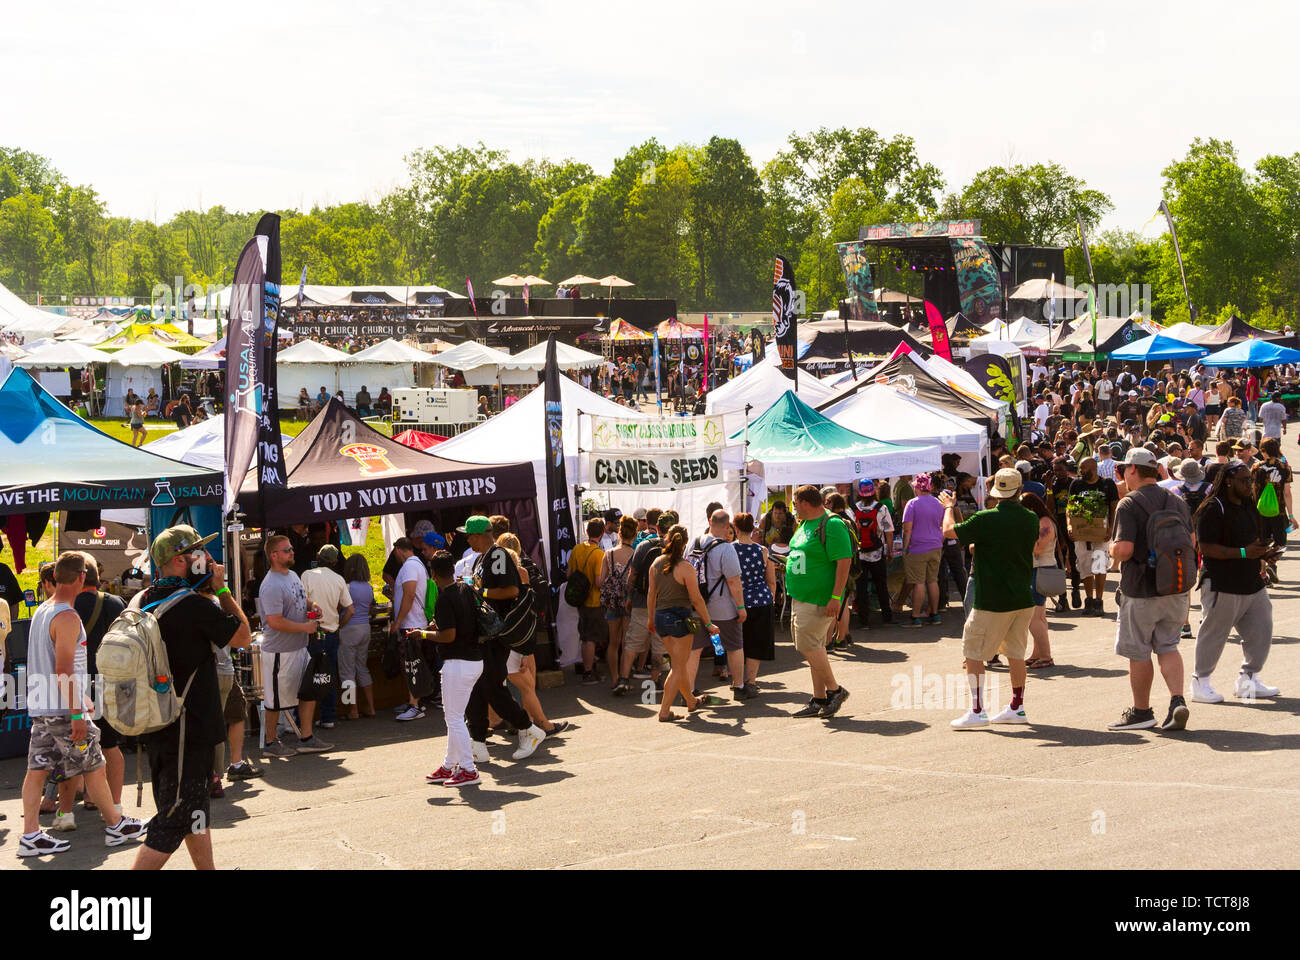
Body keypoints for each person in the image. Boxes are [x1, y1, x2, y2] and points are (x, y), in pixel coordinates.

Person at [128, 527, 251, 869]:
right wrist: (222, 589)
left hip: (159, 723)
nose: (208, 559)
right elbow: (243, 636)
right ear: (181, 560)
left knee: (195, 811)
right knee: (174, 819)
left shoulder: (142, 600)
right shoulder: (193, 604)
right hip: (187, 729)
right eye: (201, 553)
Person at [18, 552, 148, 858]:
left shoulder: (44, 610)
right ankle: (115, 825)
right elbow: (63, 668)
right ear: (81, 578)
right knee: (94, 766)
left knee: (37, 769)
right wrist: (77, 712)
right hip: (64, 709)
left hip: (44, 706)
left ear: (55, 577)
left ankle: (31, 834)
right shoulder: (66, 616)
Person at [940, 469, 1039, 728]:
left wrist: (948, 507)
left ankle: (977, 710)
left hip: (992, 599)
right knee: (1016, 653)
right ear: (1019, 490)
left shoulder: (986, 518)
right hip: (1022, 597)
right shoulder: (1030, 518)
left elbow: (948, 531)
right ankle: (1017, 707)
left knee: (972, 652)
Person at [1107, 449, 1193, 731]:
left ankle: (1142, 712)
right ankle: (1177, 700)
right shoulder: (1176, 500)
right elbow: (1191, 542)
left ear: (1132, 469)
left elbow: (1124, 550)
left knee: (1139, 652)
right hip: (1175, 586)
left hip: (1141, 589)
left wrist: (1111, 549)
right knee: (1168, 646)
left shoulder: (1128, 504)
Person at [1189, 461, 1282, 704]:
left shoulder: (1249, 505)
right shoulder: (1213, 507)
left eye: (1250, 480)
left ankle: (1248, 680)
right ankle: (1200, 682)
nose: (1249, 484)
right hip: (1222, 582)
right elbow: (1206, 548)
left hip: (1251, 581)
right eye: (1244, 480)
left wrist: (1264, 553)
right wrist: (1243, 553)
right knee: (1214, 634)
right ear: (1228, 481)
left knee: (1262, 629)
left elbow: (1251, 542)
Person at [463, 516, 549, 762]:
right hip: (487, 634)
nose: (467, 541)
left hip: (497, 634)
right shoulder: (484, 557)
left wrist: (479, 591)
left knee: (491, 687)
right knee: (480, 687)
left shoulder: (497, 555)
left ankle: (528, 729)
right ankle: (478, 742)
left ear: (479, 535)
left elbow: (511, 590)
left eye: (469, 536)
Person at [257, 534, 332, 753]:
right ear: (273, 555)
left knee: (308, 691)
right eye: (287, 550)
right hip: (279, 651)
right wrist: (304, 627)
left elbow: (300, 598)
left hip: (299, 648)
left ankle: (306, 738)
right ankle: (270, 743)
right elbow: (274, 621)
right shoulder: (271, 585)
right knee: (275, 701)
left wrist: (312, 605)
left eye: (291, 548)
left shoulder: (292, 575)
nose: (292, 552)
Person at [68, 555, 127, 825]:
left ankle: (85, 798)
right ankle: (114, 803)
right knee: (111, 746)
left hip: (79, 685)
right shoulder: (116, 603)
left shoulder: (68, 606)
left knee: (79, 744)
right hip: (111, 682)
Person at [784, 485, 851, 719]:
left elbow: (844, 561)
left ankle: (835, 690)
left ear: (805, 503)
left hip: (818, 597)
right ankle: (819, 698)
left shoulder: (831, 524)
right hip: (801, 595)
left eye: (795, 504)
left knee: (808, 645)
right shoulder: (805, 523)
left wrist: (836, 597)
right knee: (814, 646)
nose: (793, 508)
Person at [421, 550, 486, 787]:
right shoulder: (464, 589)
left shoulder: (444, 599)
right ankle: (449, 765)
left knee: (454, 718)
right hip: (474, 660)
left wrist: (423, 634)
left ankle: (468, 769)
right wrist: (437, 626)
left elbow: (448, 636)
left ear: (433, 574)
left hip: (458, 663)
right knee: (455, 717)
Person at [496, 533, 568, 739]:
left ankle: (525, 724)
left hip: (504, 641)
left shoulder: (494, 581)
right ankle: (541, 726)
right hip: (516, 642)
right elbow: (526, 614)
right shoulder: (521, 577)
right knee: (526, 686)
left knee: (507, 688)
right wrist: (527, 651)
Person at [646, 524, 716, 722]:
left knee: (679, 664)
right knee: (678, 667)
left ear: (667, 540)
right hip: (680, 618)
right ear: (685, 544)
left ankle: (691, 701)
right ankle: (664, 711)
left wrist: (651, 618)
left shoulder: (656, 563)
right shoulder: (686, 567)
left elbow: (651, 594)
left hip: (661, 617)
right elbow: (696, 599)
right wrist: (709, 623)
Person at [688, 509, 751, 701]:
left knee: (693, 650)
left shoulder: (693, 543)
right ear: (726, 526)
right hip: (722, 609)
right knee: (734, 646)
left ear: (710, 521)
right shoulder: (726, 548)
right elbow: (734, 581)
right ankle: (739, 687)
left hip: (695, 607)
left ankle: (688, 691)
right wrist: (741, 608)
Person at [300, 544, 353, 729]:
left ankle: (303, 719)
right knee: (328, 675)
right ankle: (328, 717)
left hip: (312, 632)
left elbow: (301, 602)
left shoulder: (307, 575)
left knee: (308, 676)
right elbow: (350, 610)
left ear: (317, 557)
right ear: (335, 562)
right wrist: (339, 626)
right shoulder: (339, 579)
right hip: (331, 634)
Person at [619, 510, 672, 694]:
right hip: (663, 604)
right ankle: (655, 681)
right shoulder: (672, 548)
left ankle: (623, 679)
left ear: (657, 527)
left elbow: (632, 575)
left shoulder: (643, 546)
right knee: (658, 646)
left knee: (632, 642)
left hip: (641, 602)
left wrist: (629, 597)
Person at [1069, 456, 1120, 617]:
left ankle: (1099, 600)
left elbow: (1114, 507)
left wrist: (1111, 528)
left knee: (1099, 564)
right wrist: (1070, 525)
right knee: (1085, 566)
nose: (1080, 471)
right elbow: (1070, 507)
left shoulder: (1107, 484)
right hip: (1082, 533)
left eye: (1083, 468)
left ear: (1093, 468)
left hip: (1101, 533)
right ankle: (1089, 599)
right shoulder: (1076, 484)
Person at [732, 512, 774, 694]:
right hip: (761, 600)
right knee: (756, 643)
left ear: (735, 528)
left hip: (738, 602)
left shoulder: (730, 550)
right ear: (752, 528)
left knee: (737, 644)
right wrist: (771, 597)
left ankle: (737, 681)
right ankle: (751, 681)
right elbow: (771, 580)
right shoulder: (763, 551)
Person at [389, 537, 430, 721]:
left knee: (412, 665)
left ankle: (415, 705)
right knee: (411, 664)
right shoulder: (416, 564)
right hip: (414, 622)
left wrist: (398, 622)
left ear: (398, 550)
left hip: (411, 624)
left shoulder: (410, 566)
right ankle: (413, 701)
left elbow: (410, 594)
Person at [597, 516, 636, 692]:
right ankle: (623, 678)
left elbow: (600, 581)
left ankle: (614, 678)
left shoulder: (609, 554)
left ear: (619, 533)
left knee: (613, 642)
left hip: (612, 602)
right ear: (634, 535)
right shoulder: (635, 555)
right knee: (626, 643)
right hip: (628, 602)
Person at [901, 472, 945, 627]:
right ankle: (935, 614)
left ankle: (916, 617)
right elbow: (942, 526)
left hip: (918, 548)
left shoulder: (912, 504)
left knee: (918, 582)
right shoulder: (938, 503)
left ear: (918, 488)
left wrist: (905, 549)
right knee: (932, 581)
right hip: (935, 546)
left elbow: (907, 530)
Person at [1021, 493, 1059, 668]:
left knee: (1033, 618)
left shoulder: (1044, 523)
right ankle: (1038, 654)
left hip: (1041, 570)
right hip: (1041, 570)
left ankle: (1045, 656)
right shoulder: (1043, 521)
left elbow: (1038, 549)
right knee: (1040, 617)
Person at [568, 517, 607, 685]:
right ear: (602, 533)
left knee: (585, 636)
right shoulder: (599, 554)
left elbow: (569, 574)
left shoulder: (577, 549)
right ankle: (588, 672)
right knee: (590, 638)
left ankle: (589, 668)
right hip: (594, 601)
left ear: (587, 531)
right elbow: (598, 582)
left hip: (580, 600)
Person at [852, 479, 894, 627]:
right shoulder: (881, 508)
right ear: (873, 491)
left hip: (859, 554)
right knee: (881, 584)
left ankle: (863, 621)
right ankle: (887, 617)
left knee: (861, 587)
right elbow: (889, 532)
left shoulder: (853, 509)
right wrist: (890, 551)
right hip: (877, 552)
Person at [339, 554, 376, 720]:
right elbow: (369, 609)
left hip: (349, 629)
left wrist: (340, 625)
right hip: (365, 628)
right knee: (362, 668)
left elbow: (345, 609)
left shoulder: (347, 587)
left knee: (347, 671)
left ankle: (352, 710)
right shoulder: (368, 587)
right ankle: (371, 707)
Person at [1252, 437, 1293, 582]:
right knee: (1281, 542)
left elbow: (1252, 489)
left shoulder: (1256, 467)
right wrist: (1291, 515)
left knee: (1262, 542)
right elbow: (1287, 493)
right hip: (1279, 512)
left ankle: (1263, 574)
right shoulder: (1285, 468)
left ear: (1263, 451)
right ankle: (1272, 561)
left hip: (1259, 512)